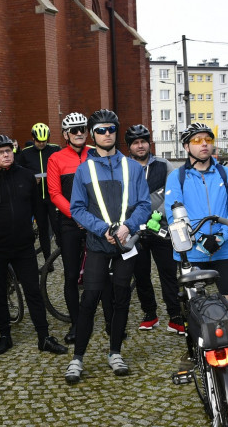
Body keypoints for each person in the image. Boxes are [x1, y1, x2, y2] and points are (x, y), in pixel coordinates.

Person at [164, 122, 228, 373]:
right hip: (191, 250)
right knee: (193, 304)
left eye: (208, 139)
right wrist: (198, 239)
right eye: (197, 141)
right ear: (187, 146)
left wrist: (221, 236)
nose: (204, 144)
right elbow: (174, 213)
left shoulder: (225, 174)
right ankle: (195, 349)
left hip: (224, 248)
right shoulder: (177, 177)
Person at [63, 110, 151, 384]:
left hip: (126, 243)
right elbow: (77, 208)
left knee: (122, 298)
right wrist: (103, 229)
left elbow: (145, 205)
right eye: (100, 130)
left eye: (111, 128)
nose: (106, 133)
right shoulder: (83, 169)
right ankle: (77, 358)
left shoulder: (133, 168)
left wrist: (127, 228)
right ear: (92, 134)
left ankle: (115, 353)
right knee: (89, 299)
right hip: (98, 243)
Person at [0, 134, 69, 356]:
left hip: (23, 247)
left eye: (9, 151)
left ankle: (43, 336)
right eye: (0, 152)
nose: (6, 155)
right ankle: (4, 335)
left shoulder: (26, 177)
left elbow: (38, 209)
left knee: (33, 292)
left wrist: (49, 233)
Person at [47, 112, 113, 344]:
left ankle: (110, 321)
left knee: (103, 273)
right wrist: (77, 215)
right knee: (72, 275)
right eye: (74, 131)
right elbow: (54, 194)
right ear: (66, 134)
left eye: (82, 129)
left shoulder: (95, 153)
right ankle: (77, 324)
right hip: (70, 223)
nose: (79, 134)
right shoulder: (56, 158)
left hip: (96, 221)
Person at [124, 124, 181, 333]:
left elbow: (172, 193)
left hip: (161, 228)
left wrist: (159, 215)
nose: (140, 146)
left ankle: (175, 315)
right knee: (141, 275)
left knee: (168, 273)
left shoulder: (163, 165)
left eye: (143, 141)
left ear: (150, 143)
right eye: (135, 143)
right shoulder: (124, 167)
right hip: (135, 231)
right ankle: (150, 314)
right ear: (129, 147)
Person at [16, 122, 61, 258]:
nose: (42, 144)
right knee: (42, 230)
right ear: (33, 139)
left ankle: (64, 253)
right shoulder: (25, 153)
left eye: (44, 141)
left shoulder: (55, 149)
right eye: (39, 141)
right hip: (37, 199)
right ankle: (48, 259)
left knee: (57, 227)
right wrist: (30, 180)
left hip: (53, 196)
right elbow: (18, 173)